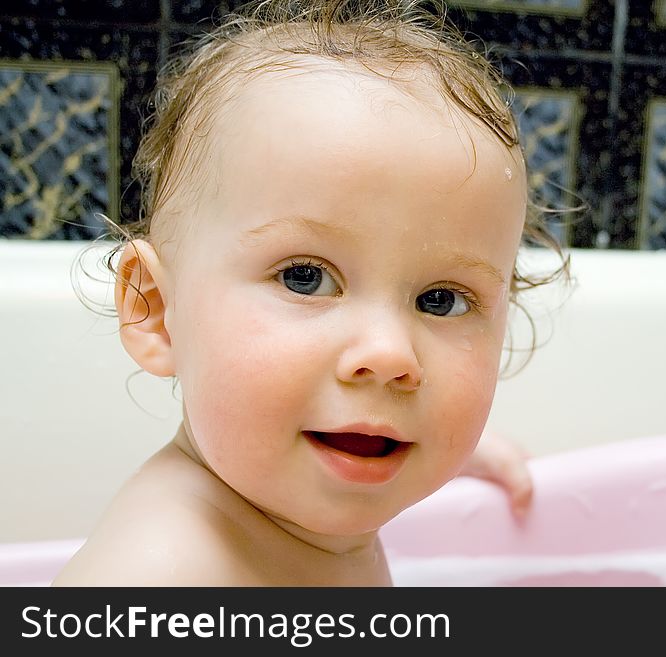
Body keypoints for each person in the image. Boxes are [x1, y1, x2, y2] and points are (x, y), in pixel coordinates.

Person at [53, 0, 568, 586]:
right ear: (158, 313)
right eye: (306, 277)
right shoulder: (161, 576)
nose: (389, 355)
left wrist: (448, 449)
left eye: (440, 300)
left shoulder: (279, 507)